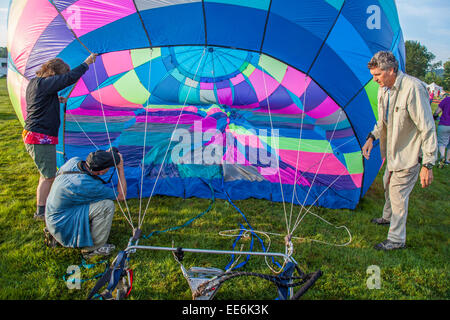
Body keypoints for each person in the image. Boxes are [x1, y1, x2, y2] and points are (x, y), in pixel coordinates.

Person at [362, 51, 437, 251]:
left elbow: (427, 127)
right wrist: (371, 137)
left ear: (392, 70)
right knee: (387, 183)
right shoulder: (383, 90)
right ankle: (387, 217)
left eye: (377, 75)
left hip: (409, 153)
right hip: (392, 153)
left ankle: (396, 239)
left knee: (397, 194)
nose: (374, 79)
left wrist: (428, 164)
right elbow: (383, 121)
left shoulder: (413, 88)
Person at [23, 53, 97, 221]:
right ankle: (41, 212)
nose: (60, 81)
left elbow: (40, 101)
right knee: (48, 176)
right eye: (60, 77)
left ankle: (45, 205)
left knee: (46, 174)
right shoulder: (44, 84)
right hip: (39, 136)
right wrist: (86, 63)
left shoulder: (35, 84)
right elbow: (69, 79)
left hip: (38, 135)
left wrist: (55, 100)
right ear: (53, 74)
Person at [44, 148, 127, 259]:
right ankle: (92, 249)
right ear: (101, 172)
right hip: (62, 226)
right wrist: (120, 168)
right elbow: (121, 196)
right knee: (107, 205)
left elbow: (95, 162)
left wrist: (106, 156)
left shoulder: (74, 161)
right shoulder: (86, 185)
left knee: (97, 201)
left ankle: (55, 236)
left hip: (53, 217)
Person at [433, 96, 450, 167]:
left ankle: (442, 157)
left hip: (444, 124)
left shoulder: (446, 99)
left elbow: (437, 111)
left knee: (442, 143)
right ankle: (448, 160)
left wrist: (434, 116)